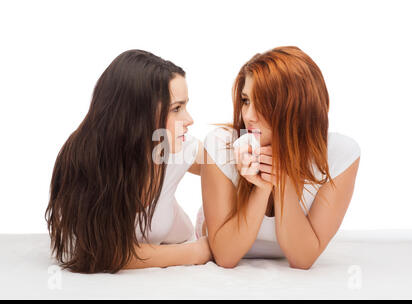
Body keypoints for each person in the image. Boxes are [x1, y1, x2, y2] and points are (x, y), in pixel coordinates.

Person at [45, 49, 211, 273]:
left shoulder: (176, 147)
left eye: (185, 106)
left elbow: (224, 167)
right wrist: (198, 252)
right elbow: (106, 254)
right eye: (177, 108)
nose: (189, 119)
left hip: (182, 232)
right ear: (137, 114)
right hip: (187, 244)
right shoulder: (84, 162)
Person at [197, 46, 361, 270]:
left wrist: (283, 181)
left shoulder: (340, 154)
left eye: (264, 103)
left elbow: (302, 259)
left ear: (298, 109)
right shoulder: (220, 145)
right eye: (246, 101)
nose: (248, 116)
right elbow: (226, 256)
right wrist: (262, 187)